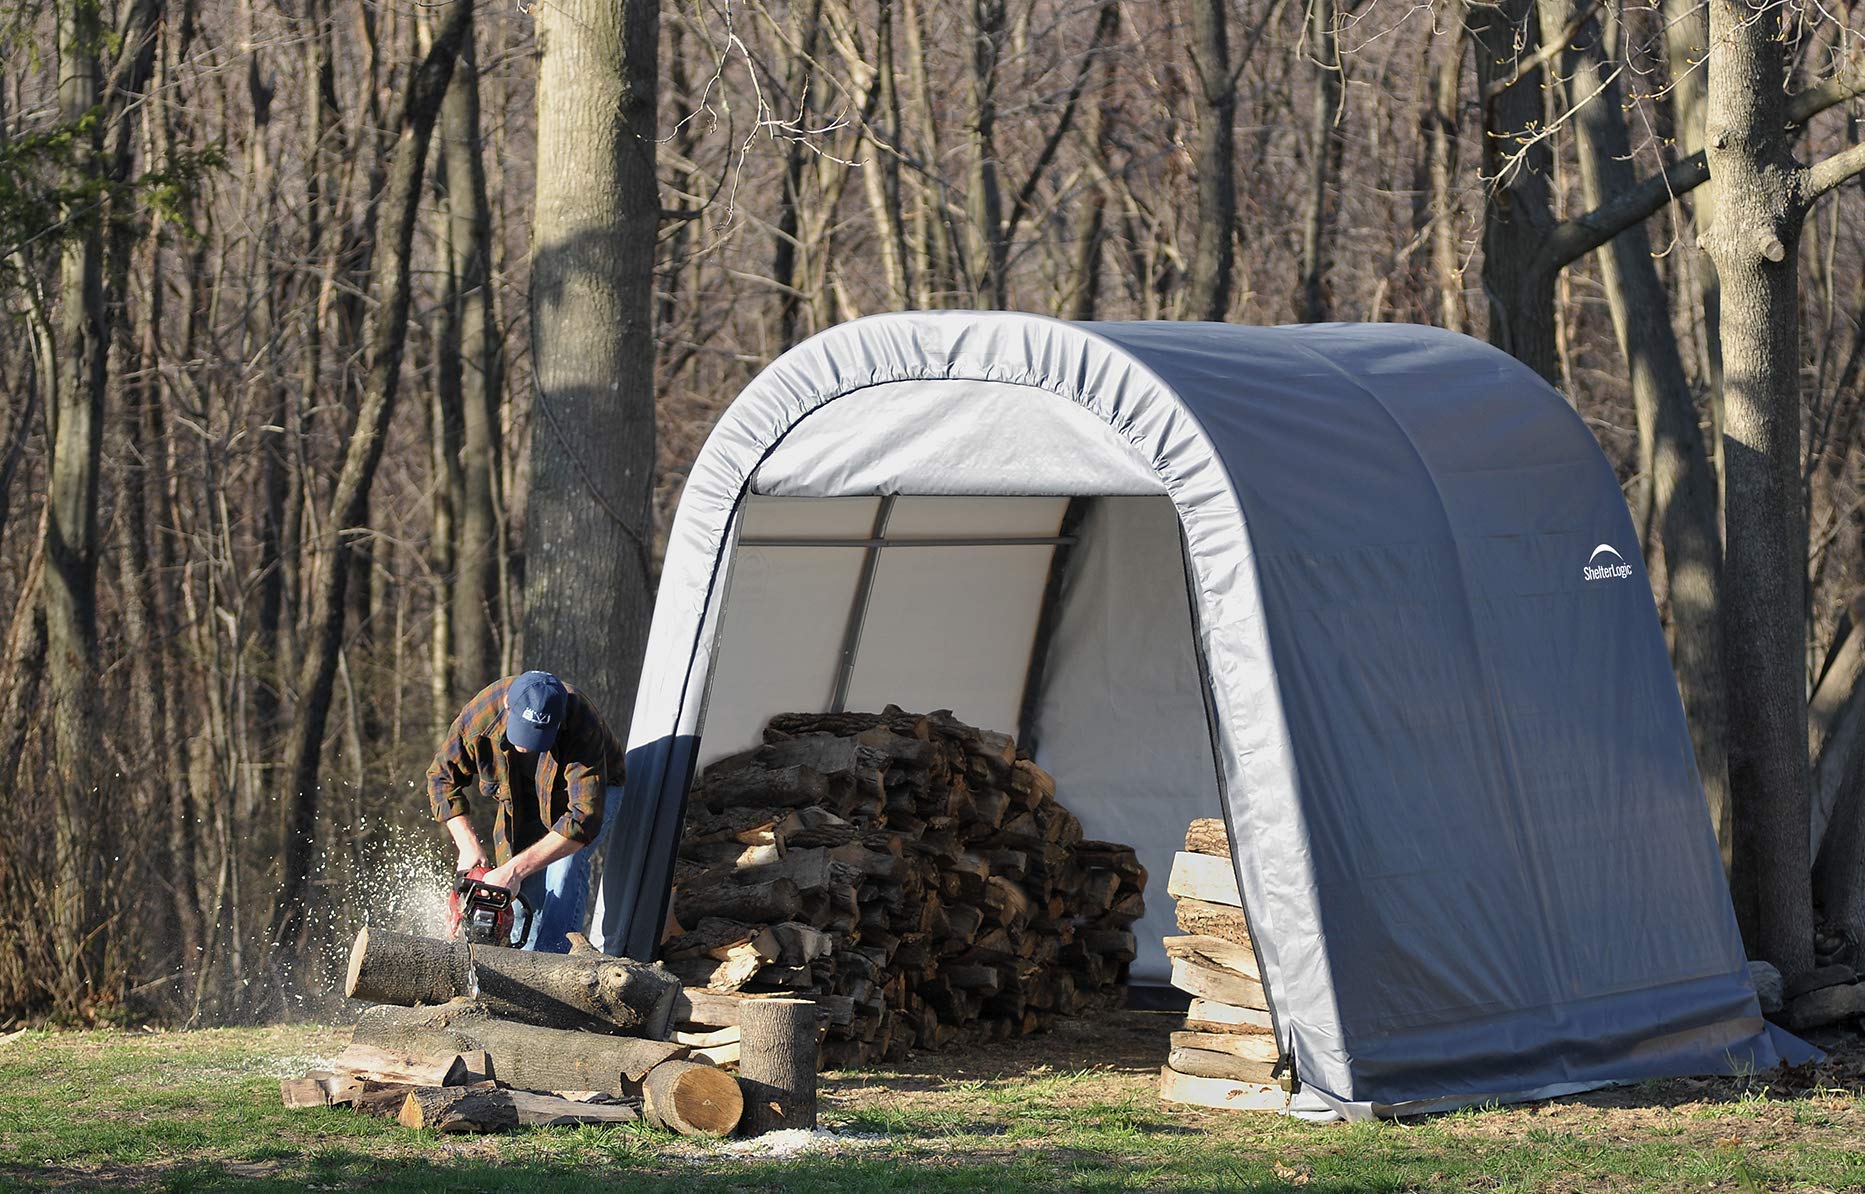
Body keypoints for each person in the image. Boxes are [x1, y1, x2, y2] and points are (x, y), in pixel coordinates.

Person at [426, 670, 626, 952]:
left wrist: (515, 870)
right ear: (508, 703)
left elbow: (583, 819)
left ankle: (553, 965)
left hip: (590, 795)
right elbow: (441, 778)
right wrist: (468, 845)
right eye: (523, 731)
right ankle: (516, 962)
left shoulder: (582, 721)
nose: (526, 745)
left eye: (539, 736)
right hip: (521, 799)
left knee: (563, 869)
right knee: (521, 899)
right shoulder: (482, 714)